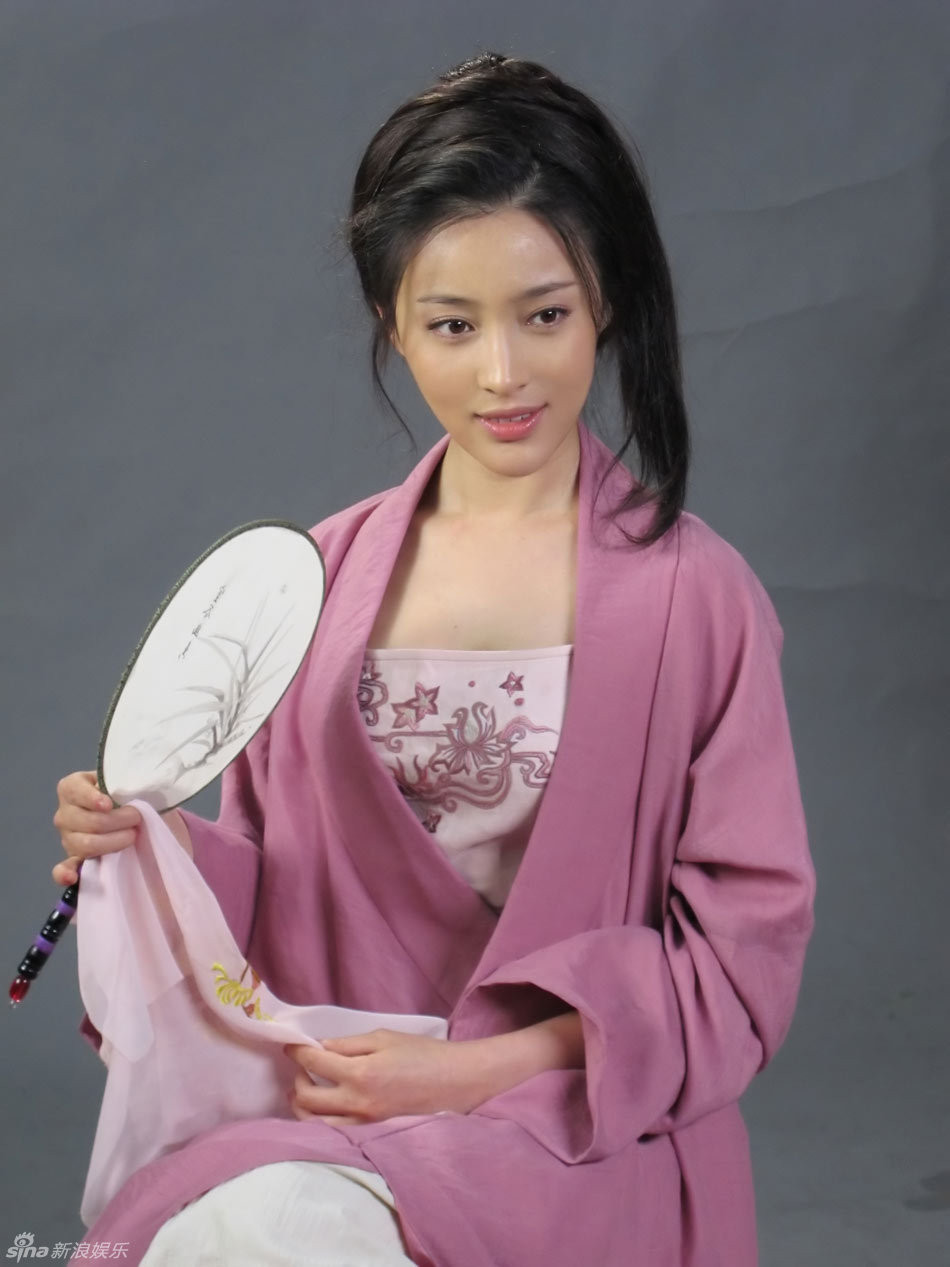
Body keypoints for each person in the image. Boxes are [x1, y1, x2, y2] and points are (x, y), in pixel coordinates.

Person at [54, 51, 816, 1267]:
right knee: (253, 1223)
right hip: (334, 1104)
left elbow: (737, 963)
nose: (502, 373)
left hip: (573, 1131)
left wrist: (472, 1070)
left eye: (543, 314)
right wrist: (149, 855)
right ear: (392, 324)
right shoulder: (315, 581)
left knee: (269, 1231)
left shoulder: (697, 600)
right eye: (452, 325)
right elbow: (278, 891)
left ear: (605, 300)